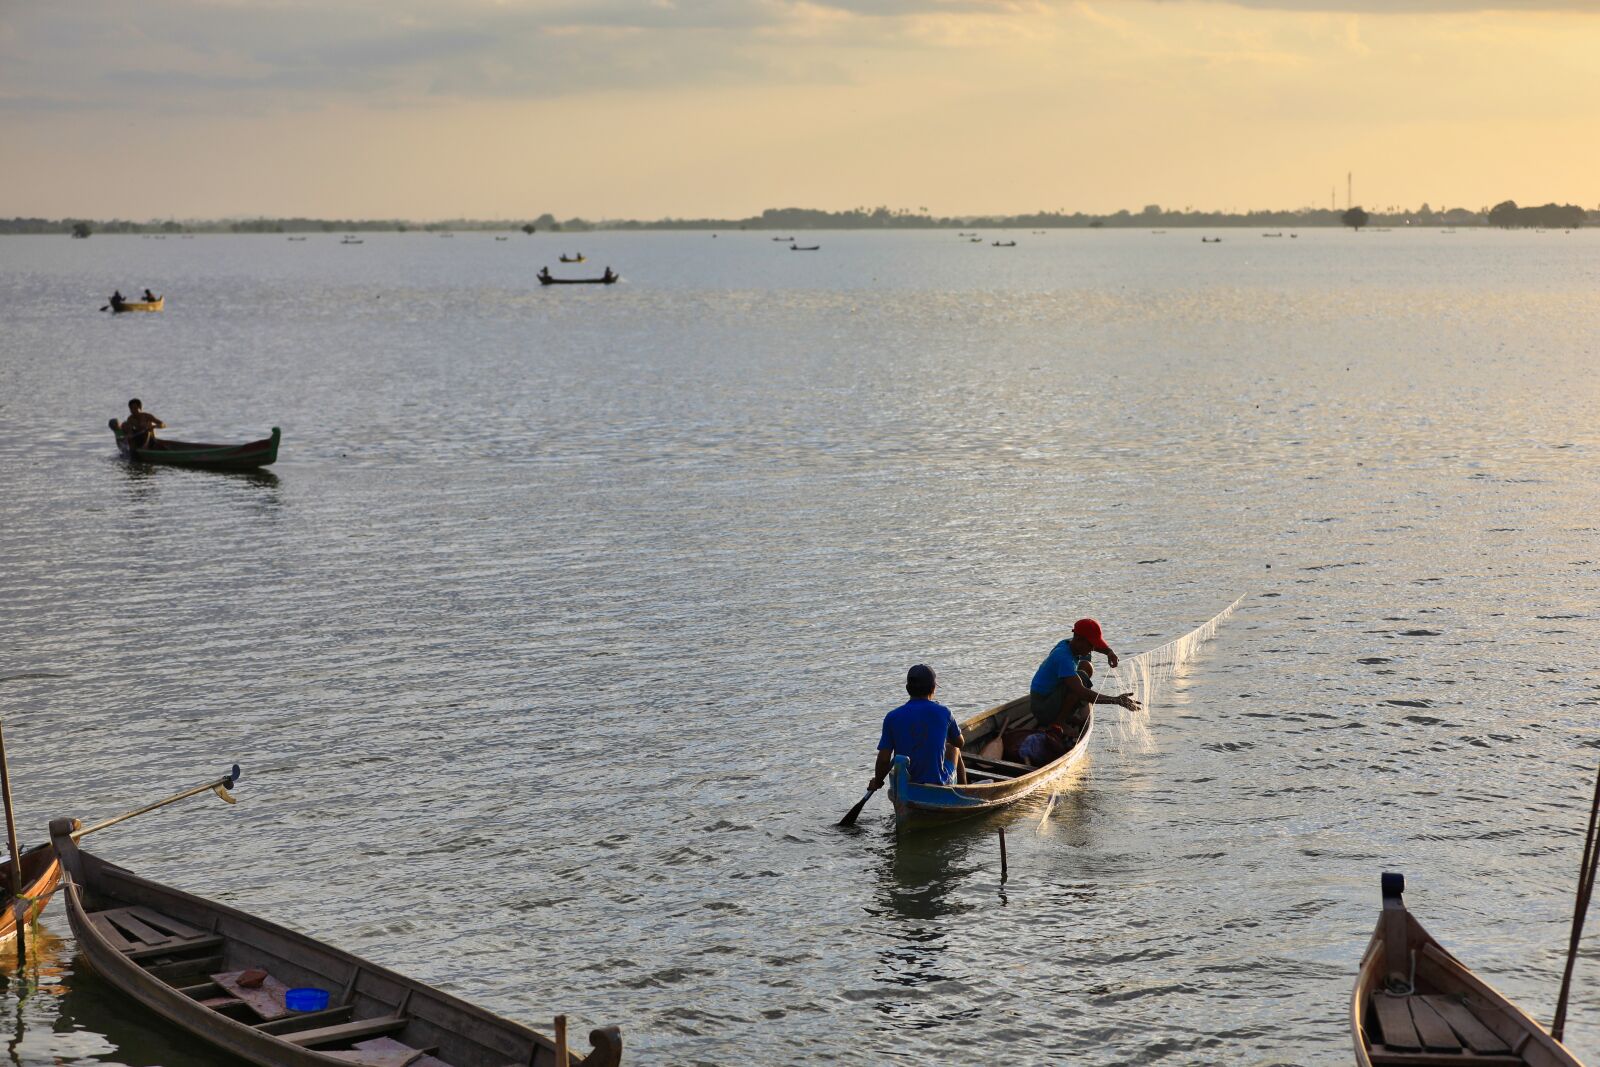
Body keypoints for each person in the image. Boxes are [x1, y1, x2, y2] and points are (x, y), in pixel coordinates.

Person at [867, 664, 967, 794]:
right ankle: (965, 791)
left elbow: (884, 759)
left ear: (908, 688)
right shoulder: (944, 712)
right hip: (938, 784)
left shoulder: (892, 717)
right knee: (954, 748)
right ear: (933, 689)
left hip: (905, 785)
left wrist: (878, 780)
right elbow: (960, 743)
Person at [1028, 617, 1138, 729]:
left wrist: (1109, 652)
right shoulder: (1063, 657)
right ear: (1078, 639)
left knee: (1086, 665)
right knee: (1082, 679)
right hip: (1042, 707)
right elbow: (1082, 692)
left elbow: (1097, 648)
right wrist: (1116, 700)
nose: (1092, 649)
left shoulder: (1068, 644)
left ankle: (1066, 713)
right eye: (1090, 645)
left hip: (1047, 697)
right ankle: (1059, 722)